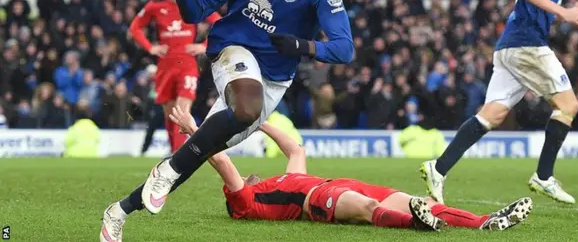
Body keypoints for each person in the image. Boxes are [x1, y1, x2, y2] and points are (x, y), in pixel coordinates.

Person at [101, 0, 354, 242]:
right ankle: (167, 171)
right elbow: (195, 12)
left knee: (201, 146)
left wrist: (303, 47)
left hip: (274, 79)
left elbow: (344, 47)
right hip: (231, 51)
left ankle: (118, 211)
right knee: (245, 108)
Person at [421, 0, 578, 205]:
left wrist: (567, 8)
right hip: (527, 47)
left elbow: (534, 1)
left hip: (511, 47)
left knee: (492, 115)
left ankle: (437, 168)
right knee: (568, 105)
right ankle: (544, 176)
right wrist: (564, 13)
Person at [173, 105, 531, 233]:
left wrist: (259, 121)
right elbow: (220, 158)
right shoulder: (245, 202)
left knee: (411, 199)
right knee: (368, 210)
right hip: (318, 198)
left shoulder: (282, 178)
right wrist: (195, 129)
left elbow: (295, 147)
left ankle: (483, 221)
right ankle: (417, 224)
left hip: (337, 182)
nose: (246, 175)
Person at [128, 0, 221, 152]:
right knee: (170, 117)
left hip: (187, 65)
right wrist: (150, 47)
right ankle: (174, 155)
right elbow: (135, 28)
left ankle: (177, 162)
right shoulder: (155, 6)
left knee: (181, 112)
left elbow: (218, 22)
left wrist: (204, 45)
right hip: (165, 66)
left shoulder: (193, 3)